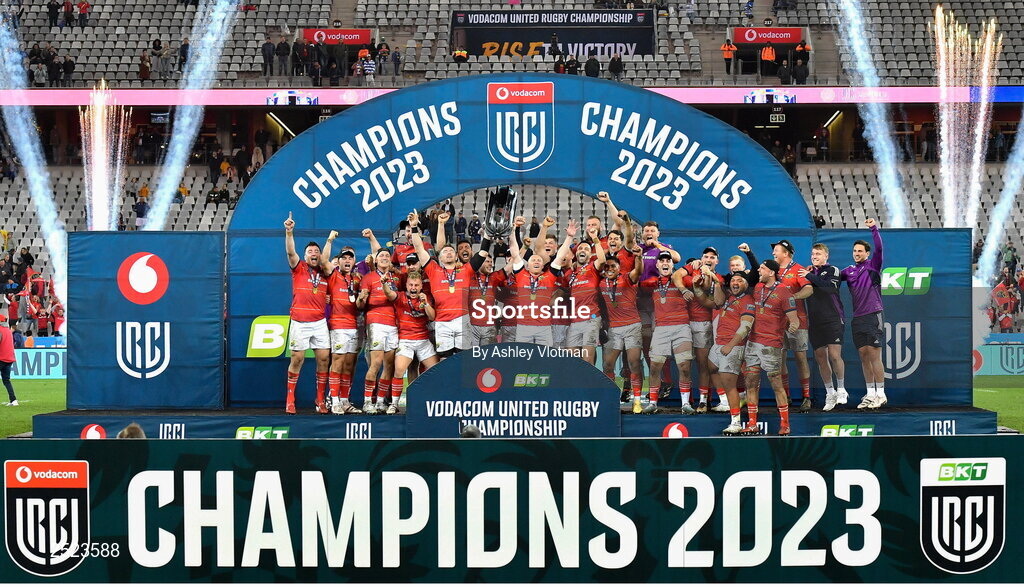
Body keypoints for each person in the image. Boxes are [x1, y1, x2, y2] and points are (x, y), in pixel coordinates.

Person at [282, 213, 332, 414]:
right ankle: (290, 399)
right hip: (300, 322)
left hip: (319, 322)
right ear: (305, 256)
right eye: (310, 251)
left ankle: (320, 400)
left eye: (316, 251)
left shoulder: (326, 271)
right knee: (297, 359)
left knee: (324, 360)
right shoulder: (298, 267)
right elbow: (290, 252)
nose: (314, 253)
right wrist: (289, 231)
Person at [743, 260, 799, 435]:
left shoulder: (784, 291)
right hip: (752, 342)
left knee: (776, 383)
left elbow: (794, 318)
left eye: (763, 269)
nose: (759, 270)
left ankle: (785, 424)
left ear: (772, 272)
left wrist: (794, 325)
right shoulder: (758, 287)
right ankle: (752, 423)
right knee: (750, 383)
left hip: (771, 344)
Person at [638, 252, 694, 414]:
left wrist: (693, 267)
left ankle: (685, 404)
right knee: (655, 366)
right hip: (661, 329)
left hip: (682, 326)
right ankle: (653, 403)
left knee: (684, 367)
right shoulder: (651, 283)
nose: (664, 263)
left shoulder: (683, 281)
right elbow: (636, 283)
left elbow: (696, 281)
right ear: (657, 265)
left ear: (672, 264)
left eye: (668, 261)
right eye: (661, 261)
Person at [508, 217, 576, 347]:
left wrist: (569, 237)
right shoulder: (521, 275)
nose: (537, 261)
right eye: (533, 259)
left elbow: (560, 256)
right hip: (523, 327)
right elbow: (515, 253)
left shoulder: (549, 276)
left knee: (545, 360)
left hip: (544, 327)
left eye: (539, 260)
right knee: (523, 359)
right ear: (527, 265)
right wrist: (513, 230)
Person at [841, 219, 887, 409]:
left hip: (873, 314)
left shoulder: (873, 266)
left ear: (866, 254)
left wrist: (873, 228)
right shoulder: (848, 271)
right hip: (857, 317)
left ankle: (881, 394)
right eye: (854, 251)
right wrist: (815, 270)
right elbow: (833, 277)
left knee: (875, 355)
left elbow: (879, 249)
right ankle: (869, 394)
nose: (857, 253)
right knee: (863, 355)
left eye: (860, 251)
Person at [800, 243, 848, 411]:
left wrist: (809, 276)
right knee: (821, 357)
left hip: (833, 318)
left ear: (826, 256)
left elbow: (829, 288)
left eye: (818, 254)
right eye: (813, 254)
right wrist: (808, 275)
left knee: (835, 355)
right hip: (815, 321)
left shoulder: (832, 270)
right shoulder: (808, 273)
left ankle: (841, 389)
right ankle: (830, 393)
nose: (814, 256)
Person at [383, 270, 438, 414]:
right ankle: (394, 404)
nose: (413, 288)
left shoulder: (425, 298)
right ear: (406, 285)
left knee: (437, 370)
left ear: (421, 287)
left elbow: (432, 317)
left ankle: (432, 401)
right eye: (411, 285)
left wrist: (425, 303)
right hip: (406, 340)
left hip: (423, 341)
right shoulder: (400, 296)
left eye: (416, 285)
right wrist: (384, 284)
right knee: (399, 370)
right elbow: (389, 294)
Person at [597, 244, 644, 411]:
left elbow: (638, 271)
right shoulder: (601, 283)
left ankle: (637, 400)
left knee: (634, 363)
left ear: (619, 268)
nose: (609, 269)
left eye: (613, 266)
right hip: (614, 329)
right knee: (608, 365)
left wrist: (638, 257)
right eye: (607, 266)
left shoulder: (627, 278)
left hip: (632, 326)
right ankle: (611, 399)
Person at [708, 272, 756, 434]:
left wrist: (731, 345)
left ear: (746, 284)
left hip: (732, 346)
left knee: (729, 385)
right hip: (719, 344)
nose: (735, 283)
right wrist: (716, 283)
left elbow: (746, 327)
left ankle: (735, 422)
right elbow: (716, 301)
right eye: (733, 280)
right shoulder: (730, 298)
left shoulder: (748, 301)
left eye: (739, 280)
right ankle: (729, 400)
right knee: (711, 367)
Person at [771, 239, 814, 411]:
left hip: (798, 321)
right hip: (776, 323)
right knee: (779, 360)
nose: (773, 253)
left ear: (786, 253)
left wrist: (793, 298)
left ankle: (806, 397)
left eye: (776, 250)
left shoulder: (798, 269)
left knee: (801, 359)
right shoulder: (771, 270)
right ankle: (786, 396)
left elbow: (809, 289)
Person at [356, 245, 399, 414]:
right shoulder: (368, 278)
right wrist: (361, 299)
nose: (384, 257)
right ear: (376, 260)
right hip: (376, 323)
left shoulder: (396, 278)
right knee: (376, 363)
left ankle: (381, 401)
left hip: (393, 324)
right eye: (381, 255)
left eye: (387, 255)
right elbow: (360, 305)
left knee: (389, 366)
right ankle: (368, 401)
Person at [0, 317, 17, 406]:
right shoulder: (8, 331)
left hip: (1, 358)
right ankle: (13, 400)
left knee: (6, 380)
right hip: (9, 358)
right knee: (6, 380)